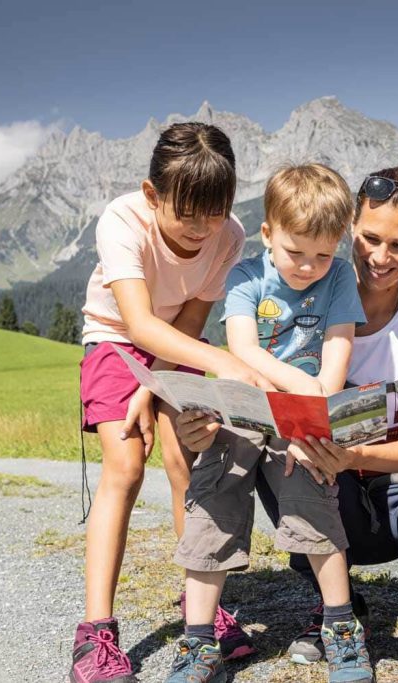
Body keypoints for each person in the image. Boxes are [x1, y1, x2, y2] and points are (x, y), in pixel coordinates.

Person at [177, 166, 398, 666]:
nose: (381, 258)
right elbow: (250, 370)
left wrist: (352, 454)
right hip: (330, 477)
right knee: (290, 470)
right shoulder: (309, 301)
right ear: (350, 232)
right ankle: (337, 604)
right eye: (369, 239)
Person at [72, 122, 270, 683]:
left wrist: (152, 385)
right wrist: (224, 363)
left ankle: (199, 610)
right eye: (187, 214)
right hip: (114, 337)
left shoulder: (227, 233)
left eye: (215, 212)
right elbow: (136, 322)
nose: (202, 229)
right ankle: (95, 636)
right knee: (127, 463)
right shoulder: (121, 219)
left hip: (174, 341)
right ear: (153, 194)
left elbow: (190, 319)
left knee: (190, 458)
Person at [166, 164, 374, 683]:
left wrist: (315, 393)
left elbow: (335, 359)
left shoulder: (341, 277)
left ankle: (342, 631)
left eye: (323, 255)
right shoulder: (245, 277)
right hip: (245, 408)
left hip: (303, 416)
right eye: (294, 253)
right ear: (267, 235)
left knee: (317, 508)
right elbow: (241, 348)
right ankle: (198, 642)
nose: (308, 267)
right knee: (212, 504)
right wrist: (299, 384)